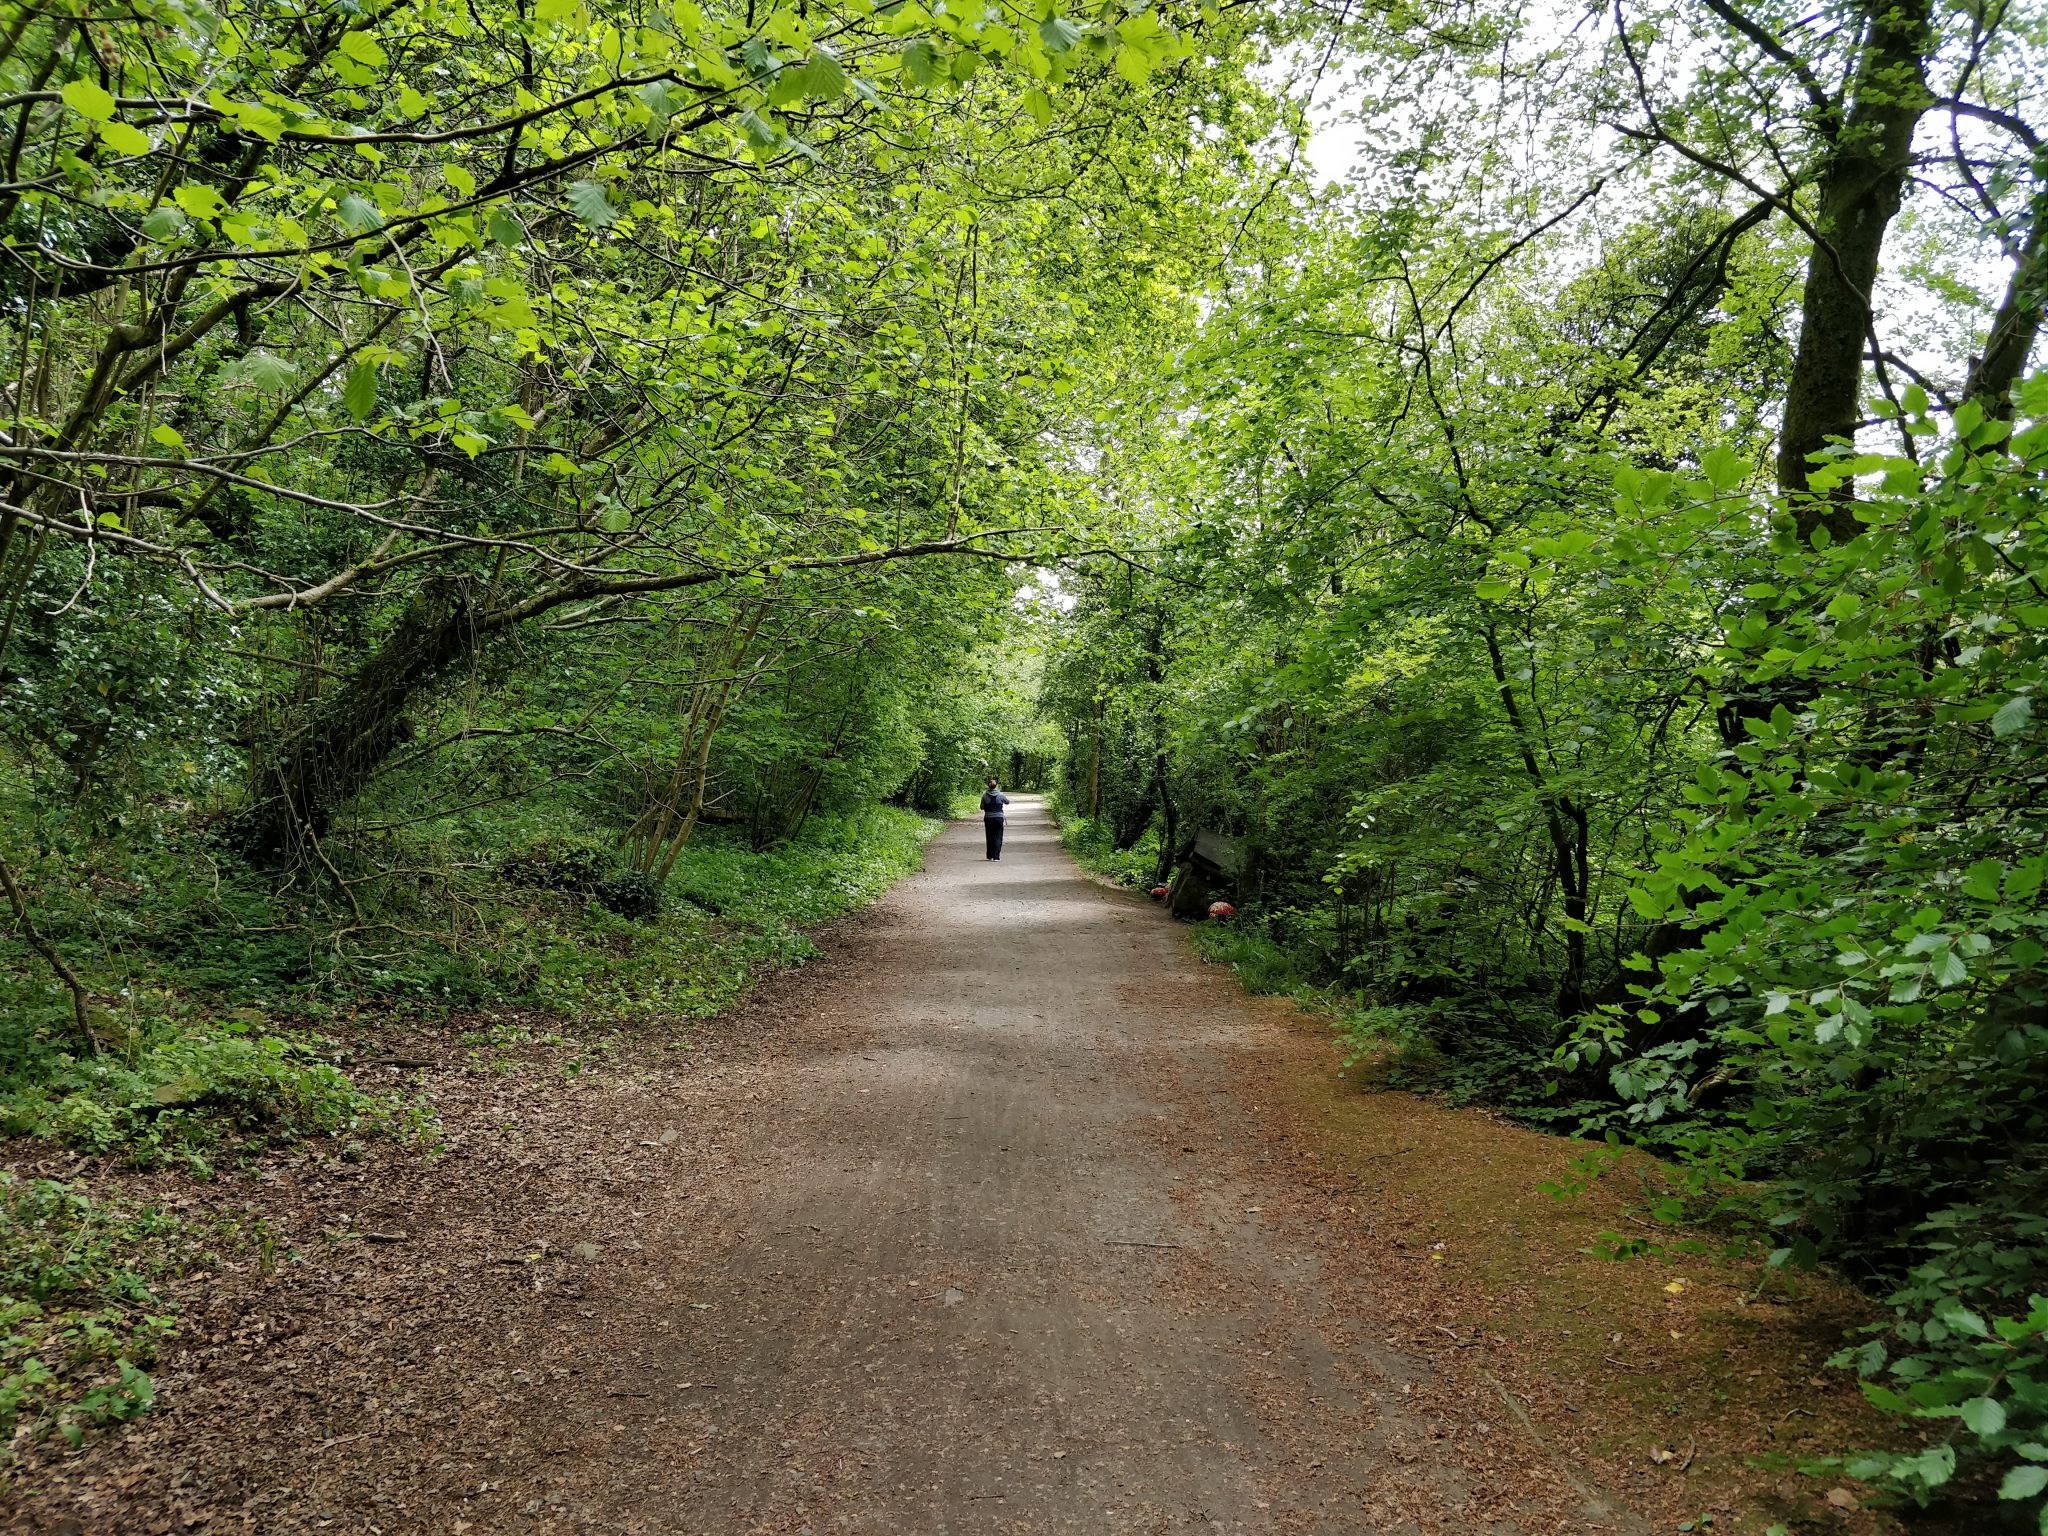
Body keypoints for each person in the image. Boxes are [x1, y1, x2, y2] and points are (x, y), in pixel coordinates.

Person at [979, 777, 1009, 860]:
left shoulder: (985, 796)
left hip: (988, 818)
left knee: (989, 836)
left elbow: (981, 807)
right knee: (998, 836)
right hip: (999, 818)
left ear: (988, 786)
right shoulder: (1000, 795)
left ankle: (990, 855)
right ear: (996, 786)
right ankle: (996, 856)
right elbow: (1007, 802)